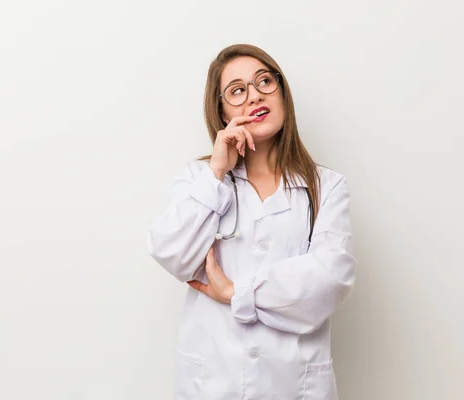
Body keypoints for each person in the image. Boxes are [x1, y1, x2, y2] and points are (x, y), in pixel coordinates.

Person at [147, 44, 357, 400]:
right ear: (221, 109)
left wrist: (235, 292)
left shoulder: (326, 186)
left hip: (294, 385)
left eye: (264, 81)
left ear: (283, 93)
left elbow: (329, 280)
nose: (255, 95)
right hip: (214, 382)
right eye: (237, 90)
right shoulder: (200, 178)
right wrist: (217, 171)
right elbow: (171, 253)